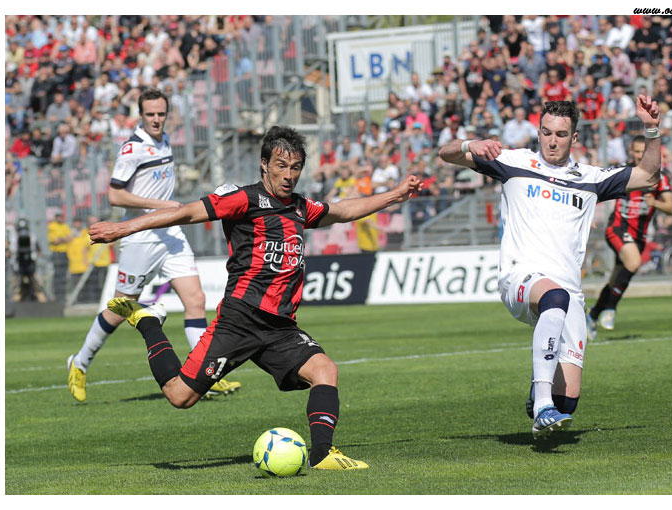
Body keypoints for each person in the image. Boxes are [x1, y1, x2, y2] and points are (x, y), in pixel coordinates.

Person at [88, 125, 422, 470]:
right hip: (241, 318)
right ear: (264, 165)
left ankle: (323, 455)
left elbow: (343, 211)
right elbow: (185, 212)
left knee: (325, 370)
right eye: (281, 166)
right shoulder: (244, 200)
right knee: (179, 396)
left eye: (295, 168)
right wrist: (122, 228)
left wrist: (395, 195)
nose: (288, 175)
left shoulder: (299, 207)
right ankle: (149, 323)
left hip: (280, 327)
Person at [438, 96, 662, 439]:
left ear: (574, 138)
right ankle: (543, 406)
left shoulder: (591, 177)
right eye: (546, 133)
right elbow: (446, 153)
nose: (552, 141)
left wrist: (652, 129)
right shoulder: (513, 162)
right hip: (520, 276)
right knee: (554, 298)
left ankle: (542, 398)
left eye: (560, 134)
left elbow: (647, 176)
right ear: (538, 132)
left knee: (567, 401)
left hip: (568, 290)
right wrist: (471, 143)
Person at [67, 88, 241, 403]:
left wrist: (166, 211)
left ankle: (205, 374)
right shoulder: (132, 149)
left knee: (196, 299)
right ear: (141, 115)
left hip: (170, 232)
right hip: (141, 236)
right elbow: (115, 195)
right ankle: (79, 362)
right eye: (151, 114)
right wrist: (161, 205)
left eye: (161, 113)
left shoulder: (165, 140)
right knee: (120, 308)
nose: (157, 119)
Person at [587, 136, 672, 337]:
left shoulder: (659, 177)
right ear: (630, 152)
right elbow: (598, 190)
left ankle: (593, 315)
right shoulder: (624, 172)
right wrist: (589, 211)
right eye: (636, 151)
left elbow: (671, 207)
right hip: (617, 228)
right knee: (634, 263)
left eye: (644, 151)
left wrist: (655, 203)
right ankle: (610, 309)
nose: (640, 155)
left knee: (616, 279)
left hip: (639, 236)